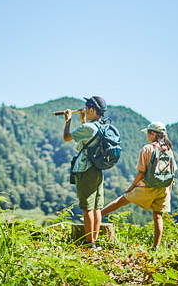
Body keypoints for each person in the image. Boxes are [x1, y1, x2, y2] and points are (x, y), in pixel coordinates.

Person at [101, 121, 177, 249]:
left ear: (153, 133)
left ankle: (97, 217)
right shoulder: (168, 149)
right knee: (158, 216)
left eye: (148, 133)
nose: (147, 135)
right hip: (163, 189)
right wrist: (168, 191)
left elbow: (141, 173)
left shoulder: (147, 149)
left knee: (121, 200)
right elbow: (172, 173)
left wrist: (131, 188)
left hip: (147, 188)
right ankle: (156, 247)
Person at [63, 96, 108, 248]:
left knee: (87, 207)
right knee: (97, 207)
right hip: (97, 169)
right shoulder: (101, 127)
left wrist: (68, 120)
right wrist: (83, 121)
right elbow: (88, 142)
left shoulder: (88, 128)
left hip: (85, 169)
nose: (85, 110)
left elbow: (66, 137)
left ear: (92, 110)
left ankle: (90, 244)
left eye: (87, 108)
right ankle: (94, 241)